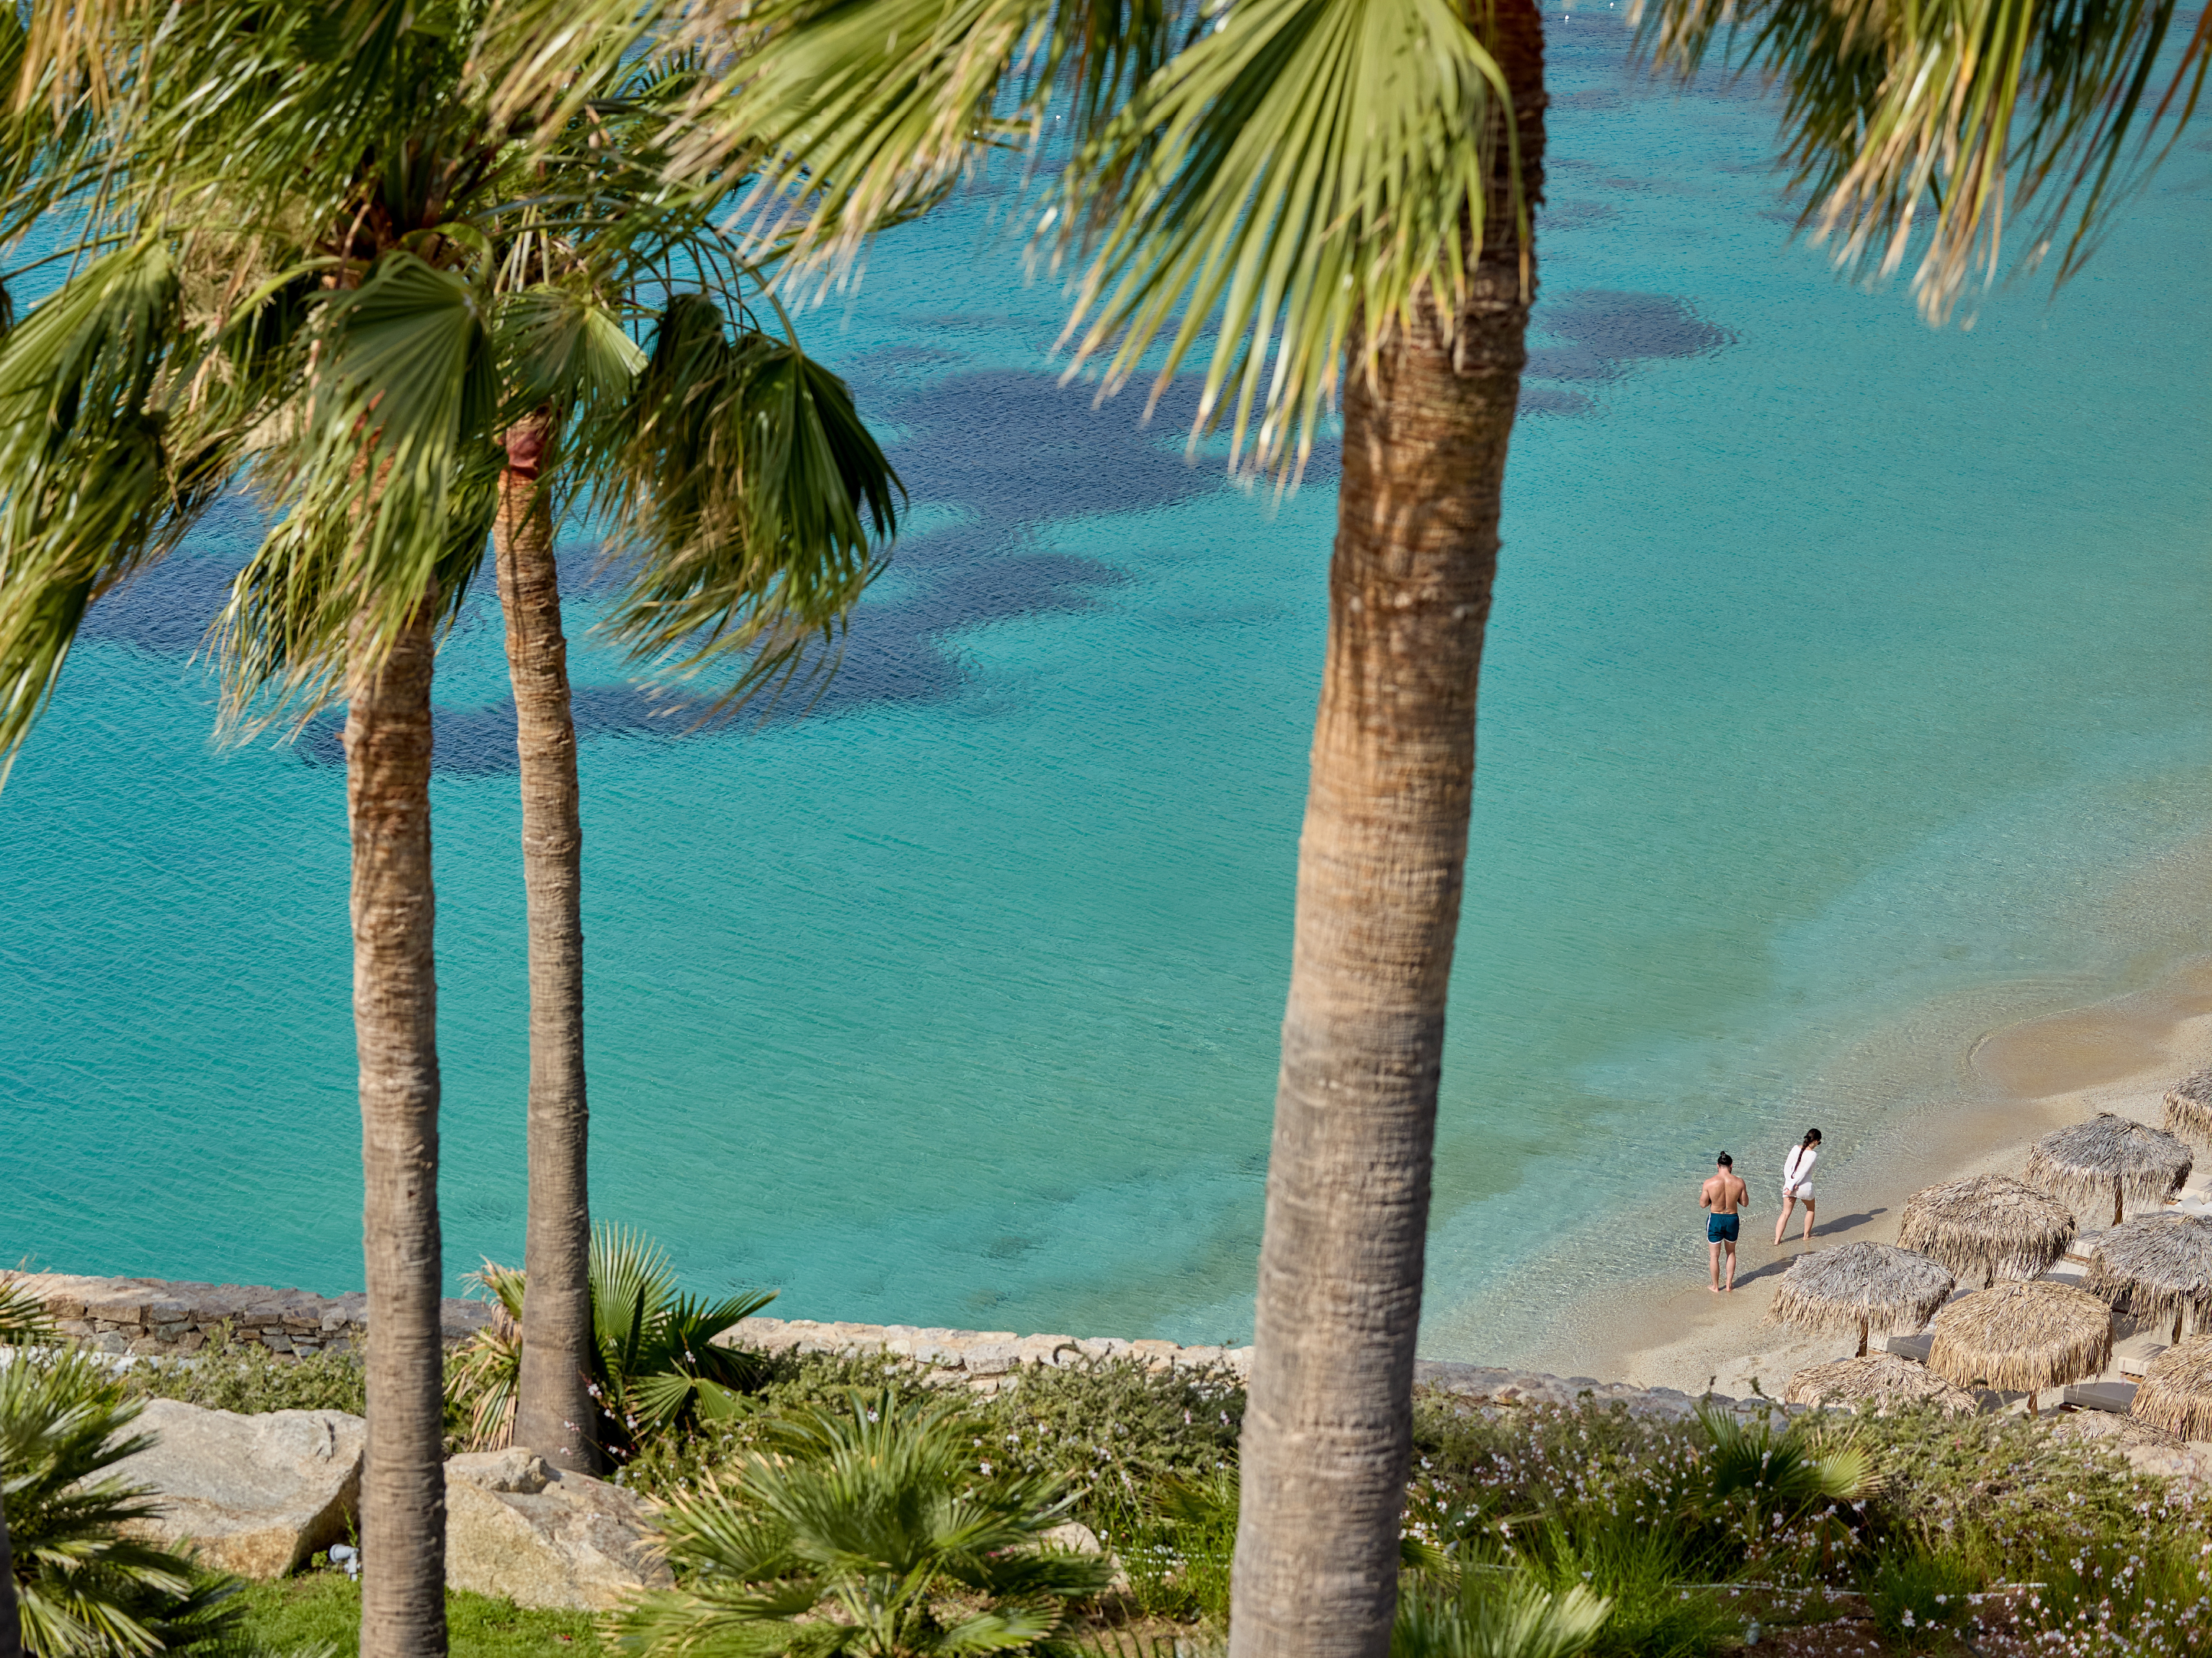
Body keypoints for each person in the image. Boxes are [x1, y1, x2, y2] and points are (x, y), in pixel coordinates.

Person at [1701, 1153, 1751, 1292]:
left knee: (1714, 1256)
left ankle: (1716, 1286)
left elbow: (1703, 1204)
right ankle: (1729, 1284)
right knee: (1731, 1252)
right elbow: (1745, 1203)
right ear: (1731, 1166)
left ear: (1717, 1166)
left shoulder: (1709, 1182)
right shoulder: (1739, 1182)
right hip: (1732, 1218)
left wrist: (1714, 1199)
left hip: (1716, 1219)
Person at [1775, 1128, 1822, 1246]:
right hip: (1804, 1186)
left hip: (1789, 1185)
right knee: (1810, 1209)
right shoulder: (1813, 1154)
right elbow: (1804, 1172)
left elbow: (1786, 1168)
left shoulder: (1795, 1148)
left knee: (1785, 1214)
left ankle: (1777, 1240)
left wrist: (1790, 1183)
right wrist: (1794, 1184)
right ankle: (1806, 1236)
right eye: (1819, 1142)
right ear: (1815, 1141)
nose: (1818, 1145)